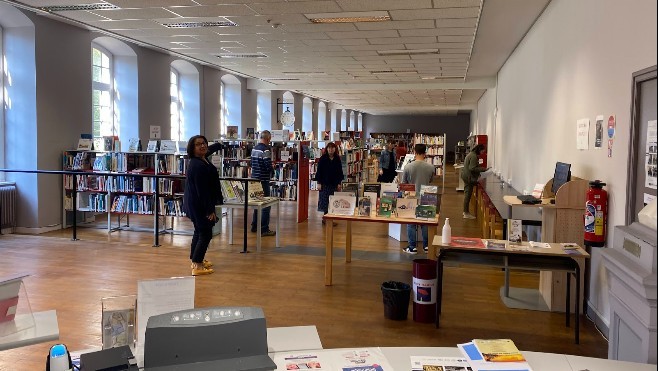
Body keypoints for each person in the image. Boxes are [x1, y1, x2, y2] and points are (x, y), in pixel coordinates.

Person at [183, 135, 223, 276]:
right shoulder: (198, 165)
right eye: (198, 144)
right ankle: (198, 266)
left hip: (194, 203)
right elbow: (203, 191)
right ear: (192, 148)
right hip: (199, 205)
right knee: (206, 233)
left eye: (204, 143)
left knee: (199, 231)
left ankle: (195, 259)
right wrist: (209, 210)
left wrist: (219, 145)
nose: (203, 146)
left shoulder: (201, 158)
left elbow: (208, 150)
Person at [402, 144, 435, 254]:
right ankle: (426, 246)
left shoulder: (408, 167)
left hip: (411, 196)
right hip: (426, 195)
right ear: (425, 153)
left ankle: (412, 247)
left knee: (411, 222)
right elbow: (430, 181)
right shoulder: (431, 167)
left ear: (414, 152)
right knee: (425, 221)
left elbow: (404, 183)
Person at [250, 130, 276, 236]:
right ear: (268, 139)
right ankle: (264, 229)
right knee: (266, 204)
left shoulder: (254, 149)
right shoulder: (266, 150)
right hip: (263, 180)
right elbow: (267, 164)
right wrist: (273, 170)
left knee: (257, 203)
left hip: (254, 179)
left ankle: (255, 225)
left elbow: (252, 163)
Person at [314, 142, 344, 224]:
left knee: (333, 201)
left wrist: (339, 183)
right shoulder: (323, 158)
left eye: (332, 148)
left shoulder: (337, 158)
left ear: (335, 149)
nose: (331, 149)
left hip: (334, 183)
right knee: (325, 201)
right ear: (327, 149)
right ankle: (325, 219)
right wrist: (319, 182)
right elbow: (319, 171)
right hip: (324, 183)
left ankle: (330, 219)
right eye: (329, 148)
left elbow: (339, 172)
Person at [461, 144, 489, 219]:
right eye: (483, 151)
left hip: (466, 176)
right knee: (468, 194)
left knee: (467, 193)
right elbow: (472, 168)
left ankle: (465, 211)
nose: (483, 153)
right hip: (469, 177)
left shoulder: (471, 154)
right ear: (479, 150)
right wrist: (484, 169)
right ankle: (466, 212)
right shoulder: (473, 156)